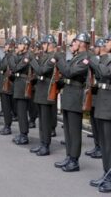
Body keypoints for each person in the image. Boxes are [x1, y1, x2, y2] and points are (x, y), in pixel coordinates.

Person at [52, 33, 90, 172]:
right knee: (68, 130)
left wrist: (59, 58)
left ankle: (74, 160)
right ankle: (69, 156)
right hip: (68, 94)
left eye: (74, 42)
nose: (72, 45)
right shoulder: (76, 57)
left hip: (75, 96)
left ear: (81, 43)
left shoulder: (86, 59)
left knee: (74, 131)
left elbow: (69, 72)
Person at [88, 35, 111, 192]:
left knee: (109, 144)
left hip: (109, 105)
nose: (106, 43)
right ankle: (107, 173)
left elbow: (105, 73)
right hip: (103, 103)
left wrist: (95, 60)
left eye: (108, 41)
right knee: (105, 144)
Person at [28, 35, 57, 156]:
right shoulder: (45, 57)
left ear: (50, 44)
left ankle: (46, 145)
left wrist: (31, 59)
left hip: (46, 92)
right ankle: (42, 143)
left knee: (45, 121)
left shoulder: (53, 58)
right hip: (40, 91)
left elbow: (41, 70)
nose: (43, 46)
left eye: (45, 44)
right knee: (41, 121)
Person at [10, 36, 32, 145]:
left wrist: (14, 56)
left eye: (20, 44)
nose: (18, 46)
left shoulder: (27, 56)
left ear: (25, 46)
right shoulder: (22, 56)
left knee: (22, 112)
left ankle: (24, 135)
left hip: (23, 85)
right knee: (20, 111)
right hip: (19, 85)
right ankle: (22, 133)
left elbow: (15, 68)